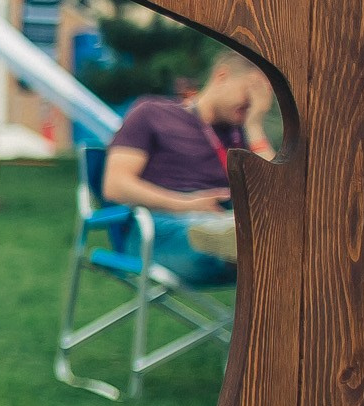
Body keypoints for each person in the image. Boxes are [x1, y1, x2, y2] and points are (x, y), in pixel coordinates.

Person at [101, 49, 276, 286]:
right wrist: (187, 205)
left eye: (264, 97)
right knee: (225, 235)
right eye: (252, 91)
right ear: (222, 76)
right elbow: (115, 186)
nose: (256, 103)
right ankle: (242, 241)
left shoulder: (242, 134)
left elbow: (277, 194)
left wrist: (254, 125)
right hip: (159, 228)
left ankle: (244, 241)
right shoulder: (152, 113)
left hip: (226, 223)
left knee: (280, 234)